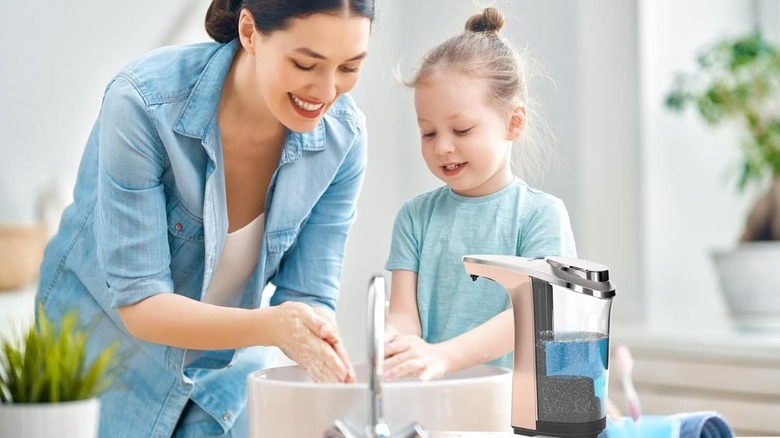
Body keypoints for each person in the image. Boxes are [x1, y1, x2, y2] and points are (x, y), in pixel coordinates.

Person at [36, 0, 375, 436]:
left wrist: (329, 366)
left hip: (222, 376)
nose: (326, 91)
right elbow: (141, 303)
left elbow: (308, 297)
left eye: (349, 68)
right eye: (305, 64)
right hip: (104, 367)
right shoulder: (144, 102)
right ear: (250, 32)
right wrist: (273, 327)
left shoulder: (343, 140)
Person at [384, 7, 577, 382]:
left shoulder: (540, 214)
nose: (442, 148)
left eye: (461, 130)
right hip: (435, 403)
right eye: (428, 132)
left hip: (512, 412)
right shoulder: (414, 217)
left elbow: (536, 314)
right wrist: (394, 343)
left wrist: (443, 356)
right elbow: (405, 315)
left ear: (513, 122)